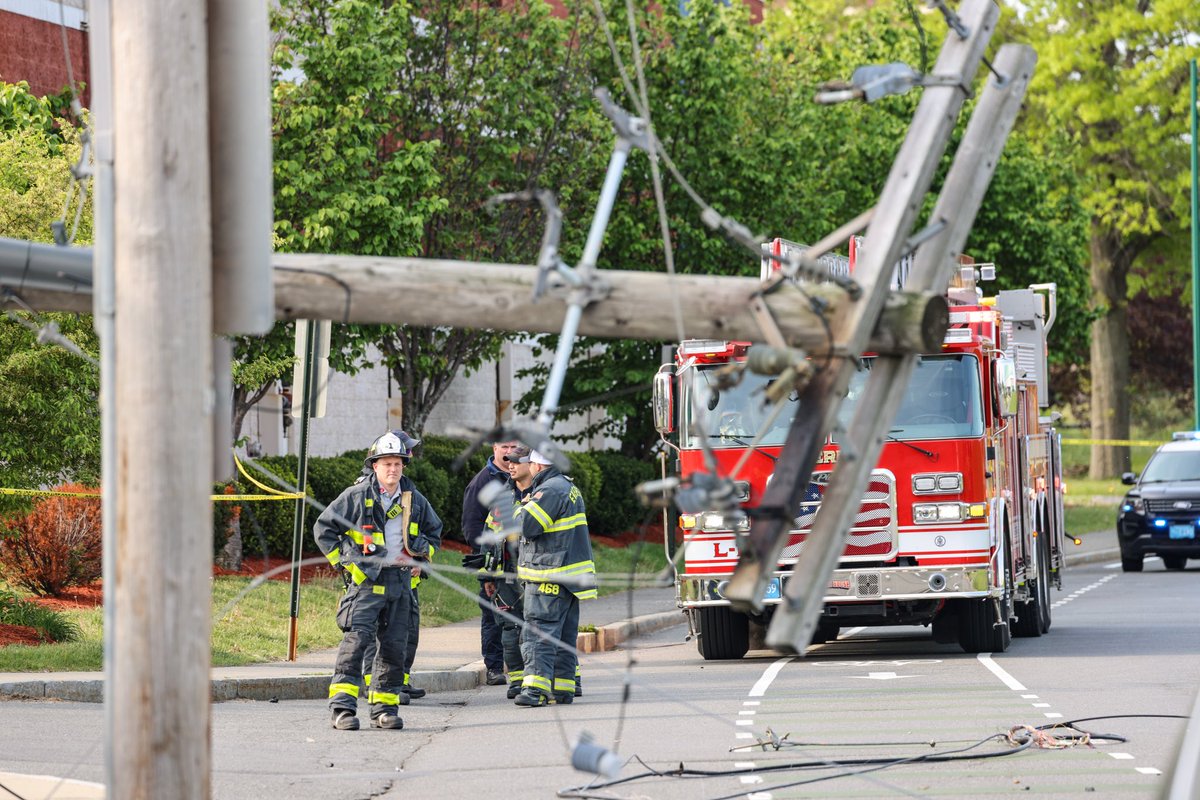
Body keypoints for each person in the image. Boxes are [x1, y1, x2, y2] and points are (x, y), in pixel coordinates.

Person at [314, 431, 442, 731]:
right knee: (355, 644)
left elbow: (434, 533)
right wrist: (347, 566)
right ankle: (342, 710)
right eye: (386, 463)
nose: (393, 469)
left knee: (394, 649)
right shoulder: (356, 496)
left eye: (397, 463)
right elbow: (324, 530)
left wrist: (421, 561)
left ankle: (384, 709)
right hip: (366, 583)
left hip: (400, 585)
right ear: (375, 466)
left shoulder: (414, 499)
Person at [513, 450, 596, 708]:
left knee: (538, 633)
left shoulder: (550, 490)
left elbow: (526, 526)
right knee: (563, 637)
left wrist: (518, 508)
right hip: (570, 578)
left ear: (537, 465)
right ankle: (563, 689)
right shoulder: (568, 487)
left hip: (549, 574)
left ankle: (535, 691)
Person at [462, 440, 519, 686]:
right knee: (493, 615)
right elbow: (471, 526)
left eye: (513, 446)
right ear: (494, 448)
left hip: (521, 562)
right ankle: (494, 667)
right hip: (494, 561)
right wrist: (489, 556)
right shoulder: (482, 482)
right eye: (504, 447)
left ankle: (519, 665)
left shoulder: (523, 476)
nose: (508, 452)